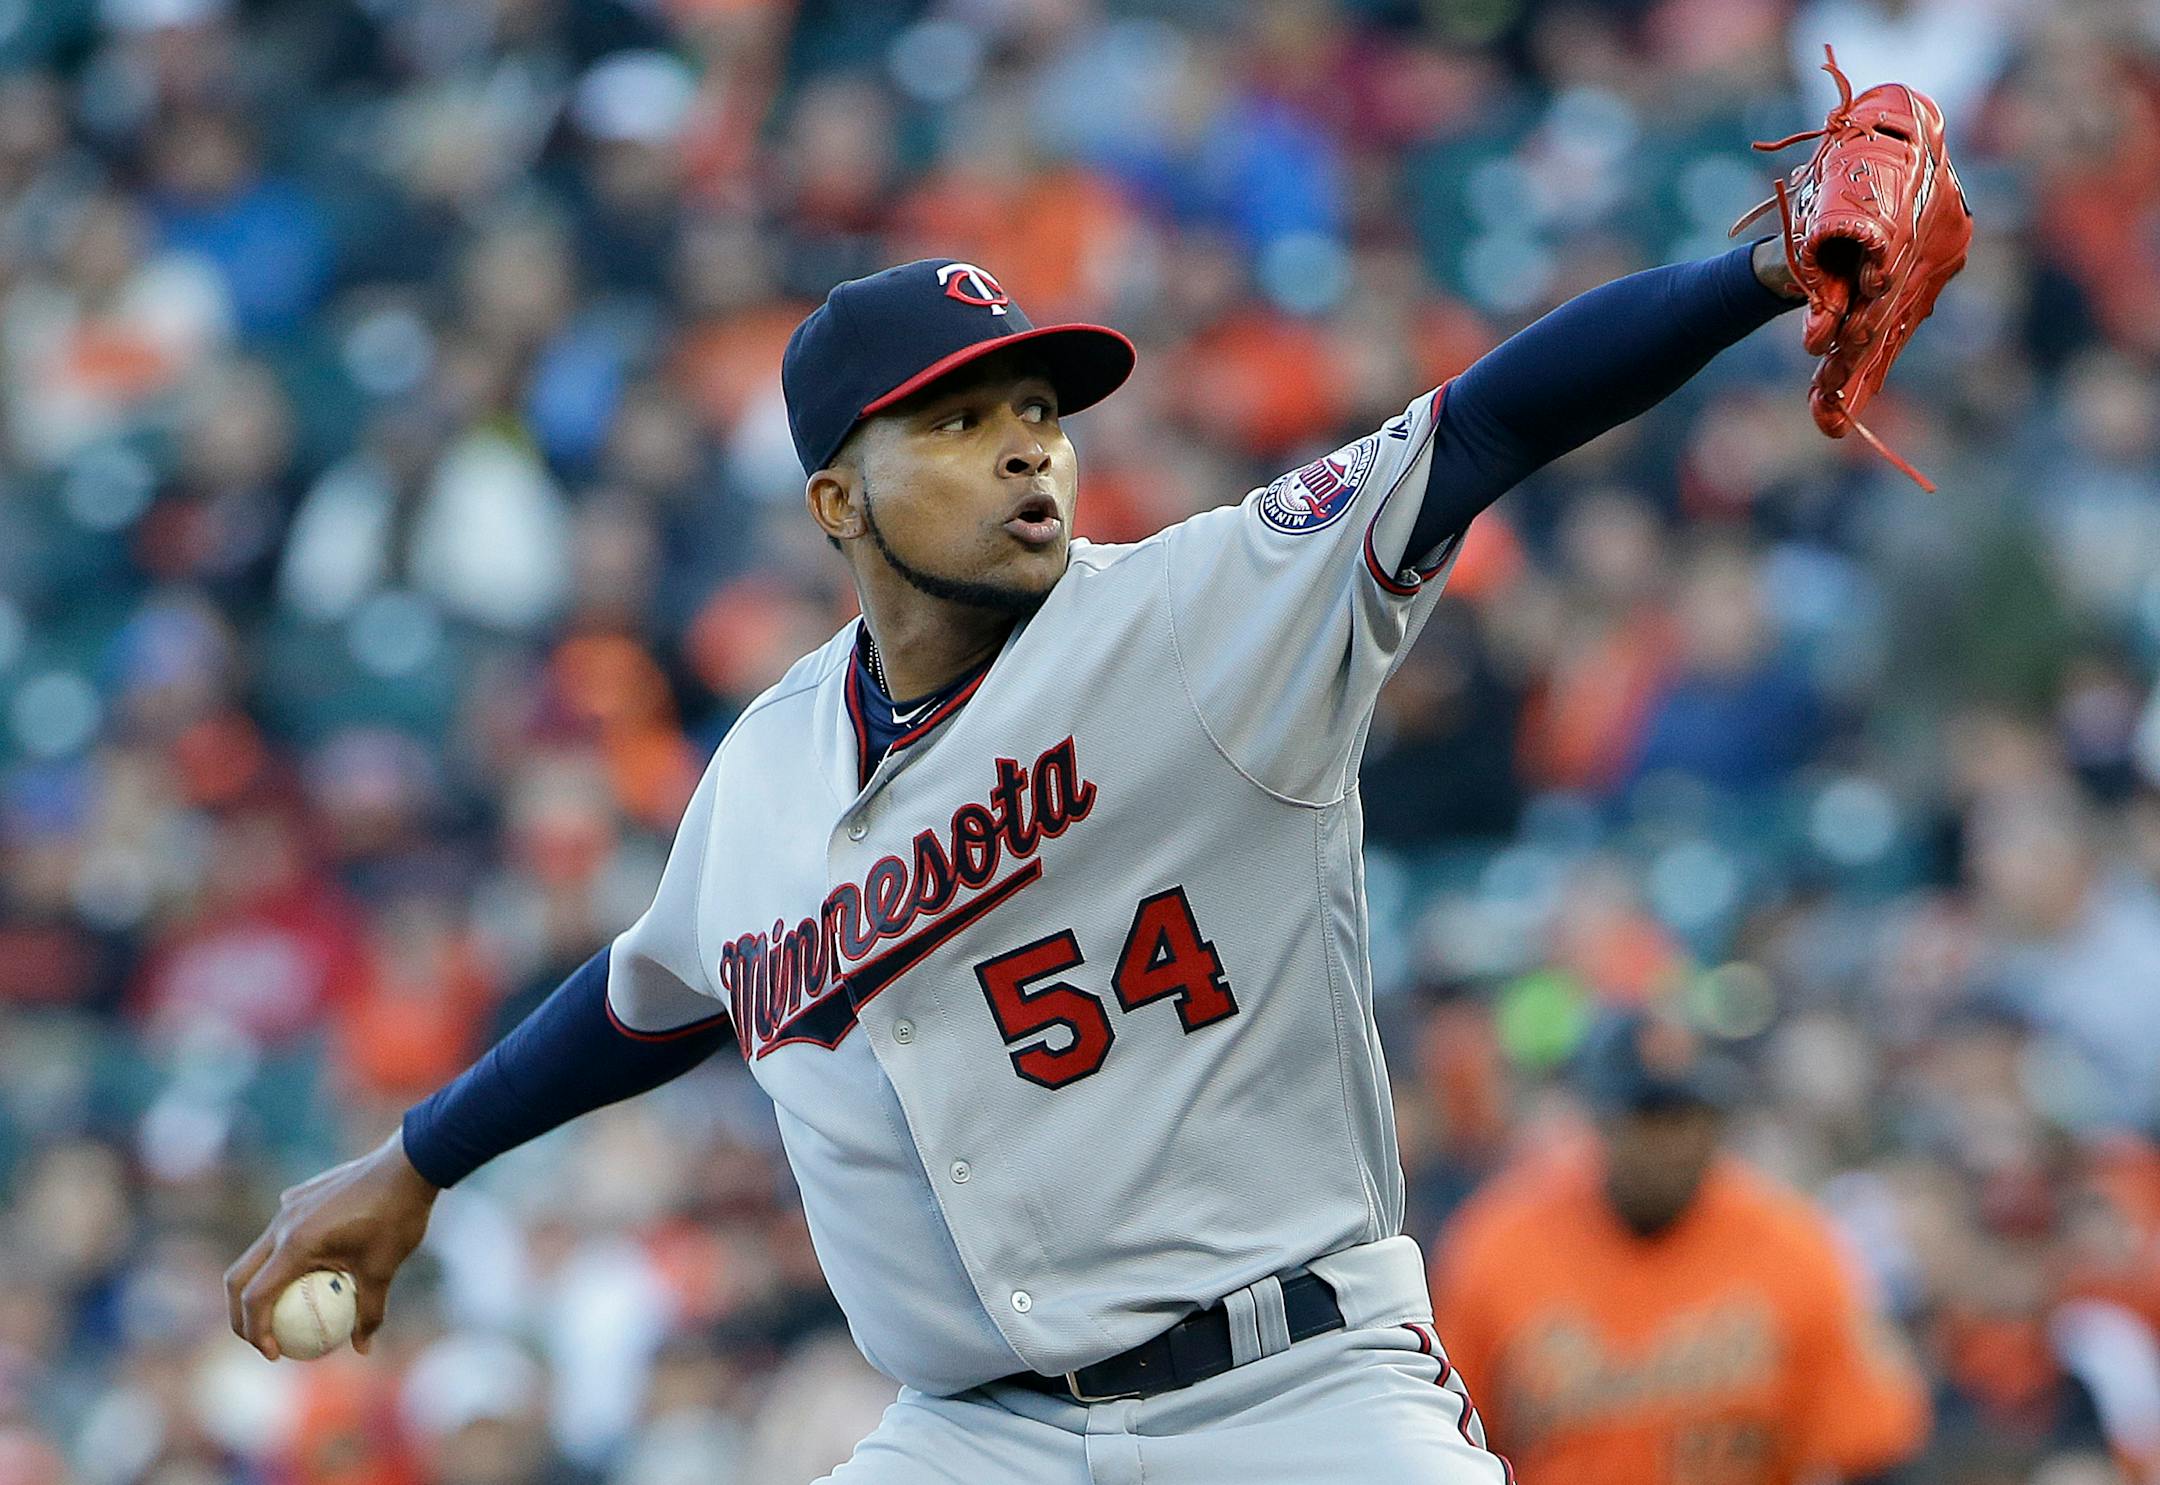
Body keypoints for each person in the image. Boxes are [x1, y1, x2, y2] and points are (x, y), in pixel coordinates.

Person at [227, 229, 1813, 1481]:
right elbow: (654, 996)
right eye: (960, 418)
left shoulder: (1204, 617)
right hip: (975, 1435)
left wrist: (1764, 268)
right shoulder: (771, 765)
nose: (1026, 450)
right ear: (836, 496)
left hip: (1293, 1393)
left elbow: (1486, 424)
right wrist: (417, 1157)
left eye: (1040, 411)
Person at [1430, 1012, 1932, 1485]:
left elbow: (1874, 1446)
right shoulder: (1498, 1245)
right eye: (1649, 1118)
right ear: (1601, 1123)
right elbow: (1438, 1447)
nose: (1672, 1143)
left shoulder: (1792, 1242)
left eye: (1690, 1118)